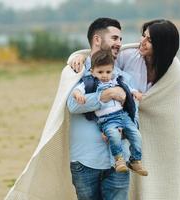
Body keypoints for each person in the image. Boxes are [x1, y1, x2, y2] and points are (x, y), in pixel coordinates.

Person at [69, 19, 180, 199]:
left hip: (157, 128)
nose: (141, 42)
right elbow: (101, 57)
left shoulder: (175, 70)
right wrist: (81, 57)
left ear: (162, 46)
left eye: (150, 40)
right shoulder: (130, 55)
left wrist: (128, 100)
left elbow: (170, 108)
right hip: (118, 122)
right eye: (143, 36)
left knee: (162, 177)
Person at [67, 18, 132, 200]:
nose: (119, 43)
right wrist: (107, 95)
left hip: (118, 162)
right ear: (97, 40)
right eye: (114, 38)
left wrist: (124, 130)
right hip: (85, 162)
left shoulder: (124, 78)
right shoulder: (75, 71)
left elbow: (134, 116)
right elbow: (72, 105)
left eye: (121, 39)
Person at [72, 49, 148, 175]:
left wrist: (135, 92)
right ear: (92, 71)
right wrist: (78, 94)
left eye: (108, 71)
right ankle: (119, 160)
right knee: (114, 136)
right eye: (100, 72)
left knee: (136, 135)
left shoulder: (116, 80)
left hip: (123, 116)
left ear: (112, 70)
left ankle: (135, 160)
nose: (105, 75)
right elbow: (77, 89)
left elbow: (129, 88)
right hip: (107, 119)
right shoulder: (89, 82)